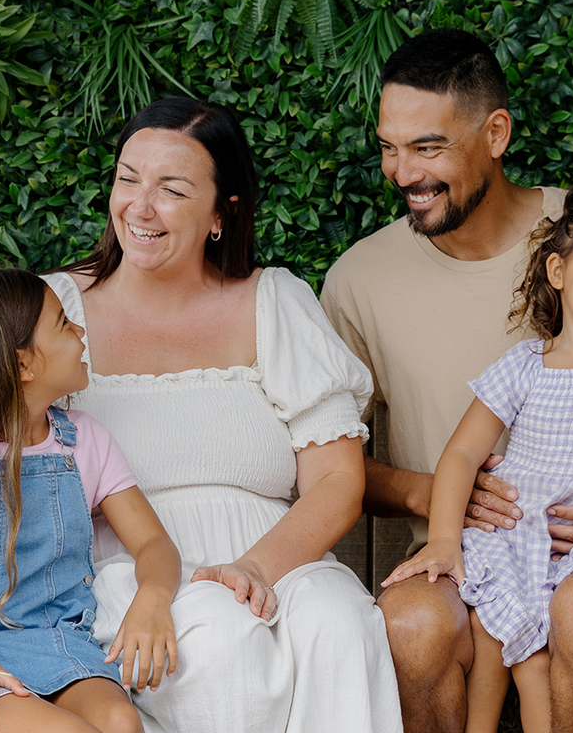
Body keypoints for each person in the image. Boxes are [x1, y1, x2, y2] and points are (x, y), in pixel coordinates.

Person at [320, 28, 573, 733]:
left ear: (495, 133)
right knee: (410, 622)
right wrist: (435, 496)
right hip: (459, 553)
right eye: (388, 146)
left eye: (428, 147)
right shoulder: (359, 279)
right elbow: (325, 463)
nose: (402, 172)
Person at [41, 97, 402, 733]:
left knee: (341, 624)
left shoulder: (275, 301)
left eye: (172, 190)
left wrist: (257, 567)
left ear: (221, 212)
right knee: (216, 647)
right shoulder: (54, 310)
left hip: (276, 557)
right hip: (126, 569)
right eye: (128, 179)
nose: (140, 206)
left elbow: (337, 481)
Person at [383, 192, 573, 733]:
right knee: (491, 648)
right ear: (557, 269)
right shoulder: (526, 363)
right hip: (507, 537)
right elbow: (461, 453)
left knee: (540, 665)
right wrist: (442, 540)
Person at [0, 268, 184, 733]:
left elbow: (153, 543)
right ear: (24, 365)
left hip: (62, 641)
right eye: (64, 323)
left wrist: (154, 597)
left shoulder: (84, 440)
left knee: (122, 722)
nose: (80, 331)